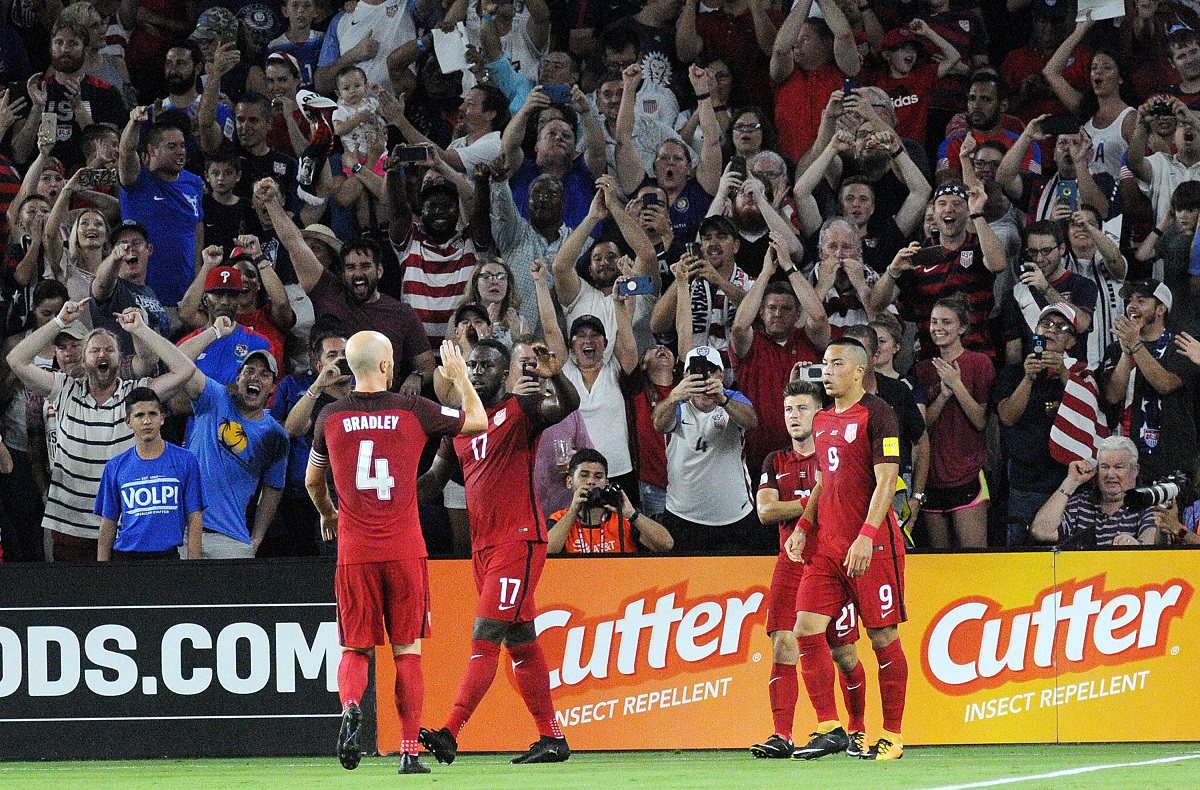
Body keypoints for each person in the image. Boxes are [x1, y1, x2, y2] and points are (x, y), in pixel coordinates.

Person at [307, 334, 486, 774]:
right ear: (387, 365)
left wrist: (329, 514)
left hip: (355, 551)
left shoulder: (329, 416)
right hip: (405, 549)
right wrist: (461, 379)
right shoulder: (413, 410)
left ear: (351, 367)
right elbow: (478, 422)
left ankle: (350, 706)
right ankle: (409, 752)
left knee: (354, 648)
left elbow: (312, 483)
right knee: (407, 651)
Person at [419, 338, 580, 767]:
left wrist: (555, 375)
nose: (475, 370)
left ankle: (450, 731)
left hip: (519, 540)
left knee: (485, 635)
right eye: (471, 364)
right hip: (483, 548)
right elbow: (435, 481)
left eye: (486, 365)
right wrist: (389, 494)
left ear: (504, 370)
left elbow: (566, 405)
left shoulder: (518, 408)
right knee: (522, 643)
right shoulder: (460, 426)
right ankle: (552, 737)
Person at [786, 337, 908, 761]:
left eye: (836, 363)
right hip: (827, 548)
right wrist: (804, 525)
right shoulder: (821, 420)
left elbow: (888, 480)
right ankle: (829, 726)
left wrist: (866, 535)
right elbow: (824, 480)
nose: (827, 371)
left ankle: (891, 735)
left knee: (881, 636)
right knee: (805, 627)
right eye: (824, 363)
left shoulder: (879, 413)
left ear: (858, 370)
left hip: (871, 547)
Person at [6, 302, 198, 560]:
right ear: (84, 358)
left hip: (124, 527)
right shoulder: (63, 389)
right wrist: (59, 321)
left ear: (120, 359)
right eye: (94, 350)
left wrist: (141, 329)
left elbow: (185, 369)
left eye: (110, 350)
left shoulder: (136, 395)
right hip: (70, 524)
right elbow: (15, 360)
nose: (102, 355)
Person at [750, 378, 866, 760]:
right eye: (788, 410)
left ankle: (857, 730)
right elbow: (766, 511)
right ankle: (782, 734)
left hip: (831, 561)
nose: (793, 417)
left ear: (820, 414)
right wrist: (818, 500)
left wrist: (807, 502)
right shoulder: (775, 460)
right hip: (791, 561)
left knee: (843, 652)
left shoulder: (836, 454)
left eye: (801, 408)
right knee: (783, 643)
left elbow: (849, 501)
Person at [731, 231, 828, 477]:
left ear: (797, 315)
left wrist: (789, 265)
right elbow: (740, 327)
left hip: (810, 456)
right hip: (756, 459)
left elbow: (817, 316)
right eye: (771, 308)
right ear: (761, 313)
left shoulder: (808, 341)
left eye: (786, 309)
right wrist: (765, 274)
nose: (777, 313)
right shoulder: (752, 345)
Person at [652, 345, 761, 554]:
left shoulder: (732, 398)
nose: (704, 377)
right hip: (684, 515)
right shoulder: (678, 405)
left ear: (721, 374)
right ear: (685, 376)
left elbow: (751, 421)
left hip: (734, 516)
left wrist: (723, 399)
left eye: (711, 371)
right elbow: (659, 424)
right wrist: (674, 396)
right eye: (696, 372)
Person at [996, 304, 1082, 546]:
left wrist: (1064, 375)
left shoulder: (1081, 374)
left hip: (1067, 482)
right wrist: (1028, 378)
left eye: (1061, 327)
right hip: (1026, 483)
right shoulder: (1013, 373)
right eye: (1046, 324)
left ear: (1071, 341)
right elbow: (1007, 417)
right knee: (1021, 556)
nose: (1051, 331)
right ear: (1035, 330)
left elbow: (1087, 414)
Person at [913, 294, 994, 549]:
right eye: (934, 321)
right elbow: (920, 427)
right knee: (941, 561)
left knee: (973, 558)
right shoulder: (922, 369)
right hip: (931, 477)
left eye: (946, 322)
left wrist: (956, 385)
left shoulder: (980, 363)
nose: (938, 328)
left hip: (967, 474)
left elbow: (981, 421)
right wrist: (942, 396)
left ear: (962, 327)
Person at [1100, 280, 1199, 485]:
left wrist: (1135, 345)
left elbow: (1164, 384)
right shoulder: (1116, 348)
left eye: (1142, 300)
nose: (1132, 305)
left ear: (1161, 309)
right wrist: (1126, 353)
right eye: (1130, 300)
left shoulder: (1182, 346)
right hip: (1126, 456)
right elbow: (1113, 396)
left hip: (1169, 457)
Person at [95, 387, 204, 560]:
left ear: (162, 418)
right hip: (126, 559)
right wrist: (102, 575)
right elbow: (108, 524)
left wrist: (192, 566)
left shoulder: (186, 460)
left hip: (168, 558)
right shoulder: (114, 467)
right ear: (128, 421)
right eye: (139, 415)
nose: (147, 421)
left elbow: (195, 517)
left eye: (152, 414)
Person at [118, 108, 205, 311]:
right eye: (172, 146)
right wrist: (134, 124)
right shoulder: (136, 180)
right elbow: (126, 153)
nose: (181, 152)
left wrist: (199, 272)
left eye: (182, 146)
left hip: (184, 297)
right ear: (152, 150)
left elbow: (196, 226)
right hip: (140, 297)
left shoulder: (194, 183)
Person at [1030, 436, 1158, 546]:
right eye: (1104, 467)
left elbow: (1151, 540)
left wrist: (1135, 546)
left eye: (1118, 467)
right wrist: (1070, 483)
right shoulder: (1080, 503)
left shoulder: (1146, 502)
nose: (1110, 474)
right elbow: (1041, 532)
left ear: (1135, 470)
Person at [546, 448, 672, 554]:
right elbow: (545, 553)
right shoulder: (558, 519)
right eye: (584, 475)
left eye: (598, 476)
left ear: (606, 483)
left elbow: (666, 545)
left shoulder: (624, 519)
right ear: (569, 481)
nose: (591, 481)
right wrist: (573, 512)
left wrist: (632, 514)